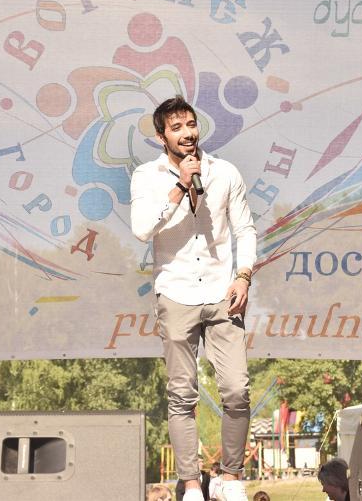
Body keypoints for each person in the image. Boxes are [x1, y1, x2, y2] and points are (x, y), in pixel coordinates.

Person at [131, 96, 256, 501]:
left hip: (222, 291)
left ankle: (230, 478)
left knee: (236, 389)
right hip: (176, 291)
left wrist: (243, 276)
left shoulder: (224, 172)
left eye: (191, 125)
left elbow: (245, 229)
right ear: (161, 137)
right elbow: (141, 229)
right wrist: (180, 186)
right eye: (177, 128)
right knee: (182, 393)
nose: (187, 134)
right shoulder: (147, 177)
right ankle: (189, 484)